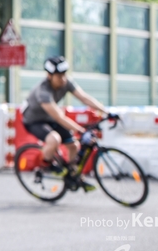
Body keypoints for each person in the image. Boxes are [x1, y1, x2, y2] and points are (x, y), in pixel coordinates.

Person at [21, 56, 109, 189]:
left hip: (50, 118)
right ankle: (46, 165)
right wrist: (82, 131)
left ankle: (73, 175)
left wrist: (107, 112)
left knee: (73, 145)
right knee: (54, 139)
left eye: (64, 75)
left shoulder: (66, 82)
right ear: (49, 76)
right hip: (34, 121)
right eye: (59, 76)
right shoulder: (42, 91)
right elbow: (59, 117)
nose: (62, 79)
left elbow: (84, 98)